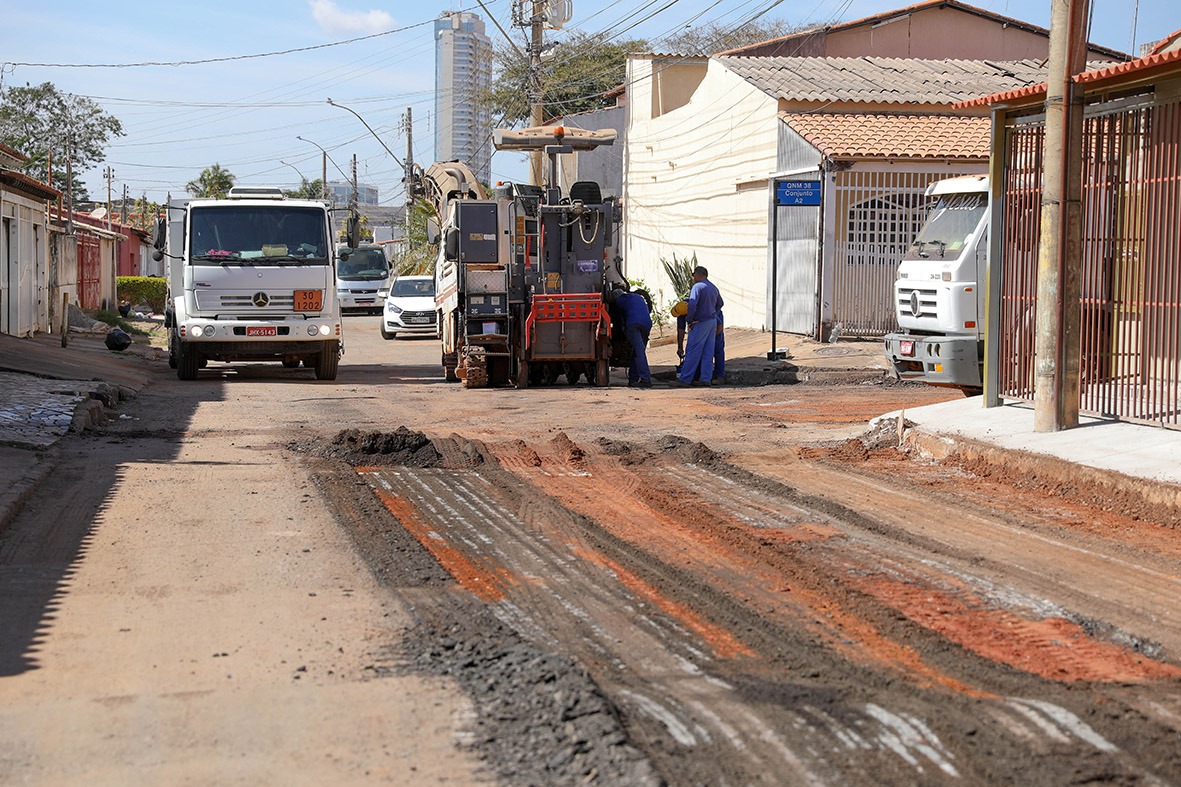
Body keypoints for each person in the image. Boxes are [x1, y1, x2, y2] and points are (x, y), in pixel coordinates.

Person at [676, 266, 723, 386]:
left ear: (697, 274)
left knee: (693, 350)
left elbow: (692, 304)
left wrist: (690, 319)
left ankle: (685, 379)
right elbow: (720, 303)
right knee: (708, 352)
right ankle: (705, 379)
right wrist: (712, 312)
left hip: (700, 322)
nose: (693, 278)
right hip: (712, 322)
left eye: (694, 275)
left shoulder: (697, 287)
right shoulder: (713, 287)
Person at [607, 288, 653, 388]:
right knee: (637, 352)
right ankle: (633, 379)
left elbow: (618, 321)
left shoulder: (618, 301)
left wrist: (619, 333)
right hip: (646, 324)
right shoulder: (637, 297)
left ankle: (645, 379)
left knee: (638, 352)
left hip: (633, 325)